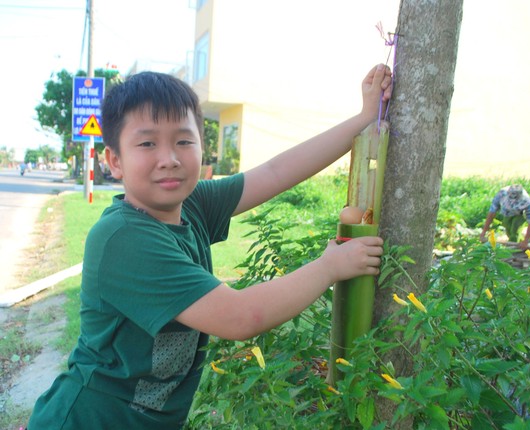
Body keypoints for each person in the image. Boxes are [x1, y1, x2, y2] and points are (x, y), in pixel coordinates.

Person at [28, 64, 392, 430]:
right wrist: (329, 267)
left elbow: (275, 173)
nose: (169, 158)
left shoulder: (193, 205)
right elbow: (240, 317)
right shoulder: (124, 239)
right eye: (147, 143)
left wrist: (362, 119)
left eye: (183, 141)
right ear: (115, 161)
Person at [480, 184, 530, 250]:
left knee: (514, 231)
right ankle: (521, 245)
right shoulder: (501, 195)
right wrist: (484, 232)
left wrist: (526, 240)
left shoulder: (527, 201)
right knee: (508, 230)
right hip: (507, 213)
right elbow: (491, 213)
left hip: (520, 214)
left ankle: (513, 251)